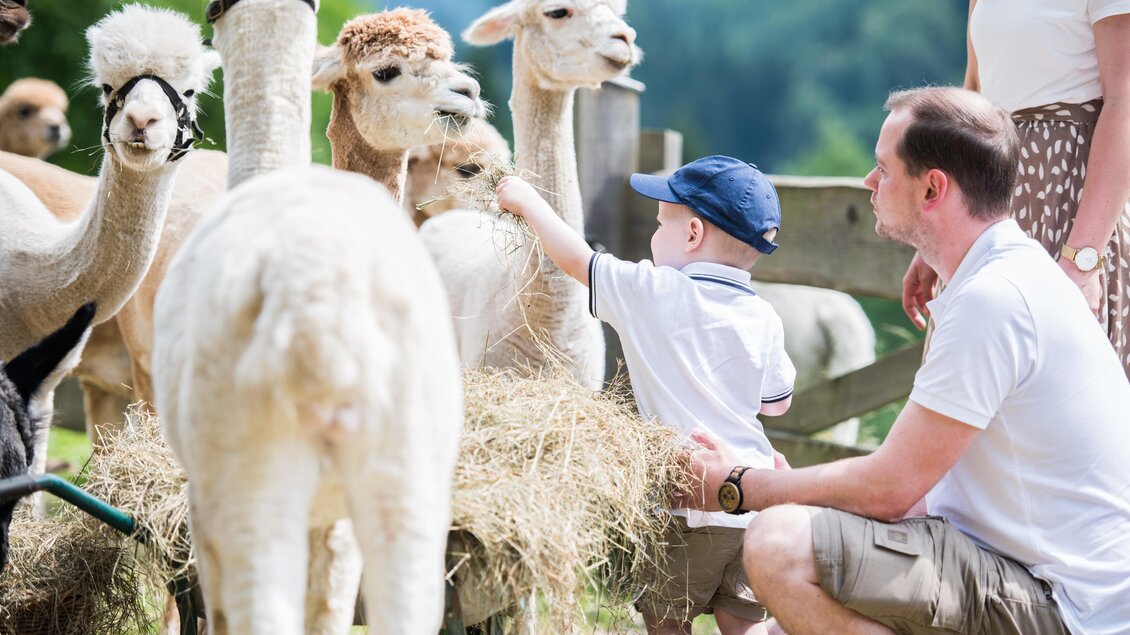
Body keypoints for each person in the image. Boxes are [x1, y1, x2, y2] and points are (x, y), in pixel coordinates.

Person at [677, 87, 1130, 635]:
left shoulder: (993, 300)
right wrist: (791, 488)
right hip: (1025, 577)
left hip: (1065, 607)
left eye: (884, 169)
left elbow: (890, 491)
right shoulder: (1005, 275)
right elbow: (915, 493)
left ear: (933, 188)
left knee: (778, 545)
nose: (869, 181)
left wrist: (734, 485)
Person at [496, 156, 797, 635]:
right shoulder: (765, 316)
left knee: (666, 621)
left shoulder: (651, 290)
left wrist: (527, 201)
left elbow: (576, 259)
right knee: (744, 626)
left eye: (660, 225)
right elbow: (776, 403)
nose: (655, 236)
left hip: (687, 503)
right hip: (753, 499)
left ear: (693, 234)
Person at [902, 1, 1130, 378]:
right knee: (967, 382)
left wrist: (1082, 261)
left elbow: (1125, 103)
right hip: (987, 200)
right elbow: (974, 100)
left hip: (1070, 207)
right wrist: (934, 235)